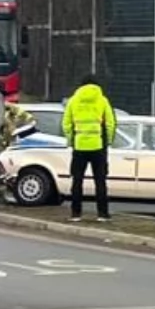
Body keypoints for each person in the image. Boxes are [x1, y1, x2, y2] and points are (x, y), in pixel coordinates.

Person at [62, 74, 117, 222]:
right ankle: (102, 214)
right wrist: (109, 141)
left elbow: (66, 123)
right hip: (98, 146)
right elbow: (110, 123)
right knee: (100, 181)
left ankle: (75, 214)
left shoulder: (73, 101)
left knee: (77, 180)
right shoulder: (103, 100)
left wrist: (71, 140)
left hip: (79, 146)